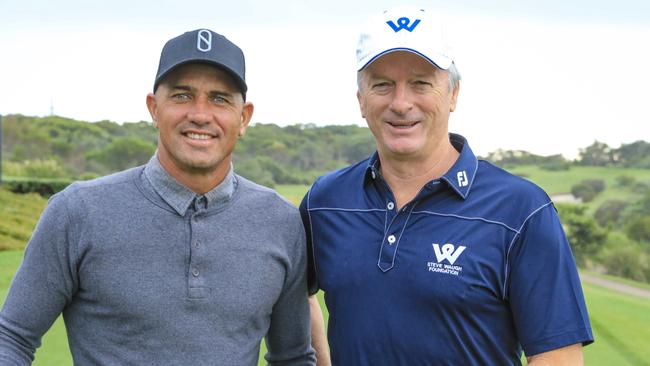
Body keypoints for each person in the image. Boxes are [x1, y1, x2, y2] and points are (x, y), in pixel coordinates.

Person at [0, 29, 315, 365]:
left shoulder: (280, 221)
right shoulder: (77, 212)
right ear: (153, 108)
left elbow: (293, 357)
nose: (200, 114)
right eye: (182, 96)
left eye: (220, 98)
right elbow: (12, 338)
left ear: (244, 117)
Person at [302, 7, 593, 365]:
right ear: (361, 100)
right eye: (382, 85)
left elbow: (558, 356)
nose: (401, 103)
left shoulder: (521, 211)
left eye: (421, 83)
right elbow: (296, 293)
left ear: (453, 94)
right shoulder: (324, 201)